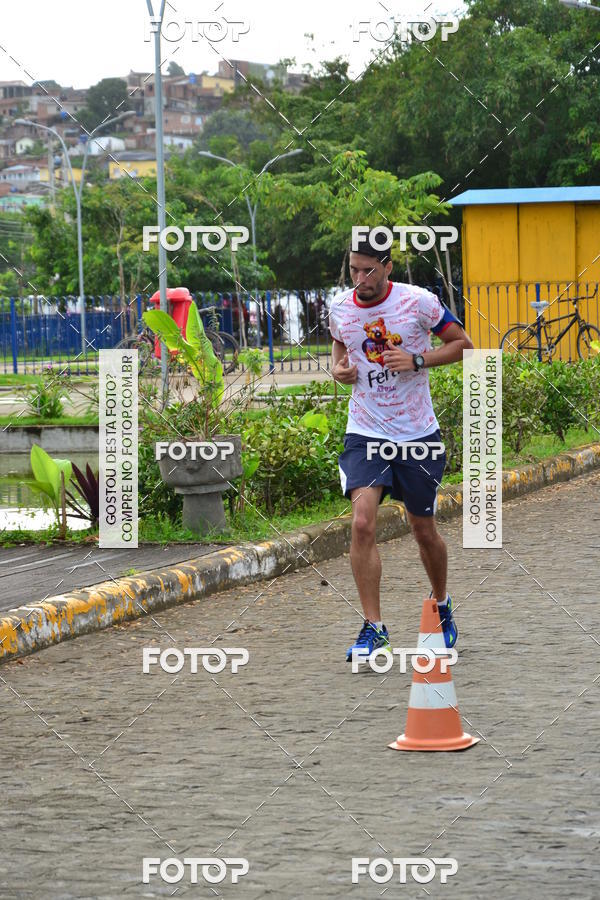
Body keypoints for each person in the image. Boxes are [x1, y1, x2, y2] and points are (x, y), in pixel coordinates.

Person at [328, 231, 474, 662]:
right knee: (362, 523)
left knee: (422, 529)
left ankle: (441, 603)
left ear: (388, 267)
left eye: (368, 270)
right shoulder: (340, 306)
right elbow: (340, 342)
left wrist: (416, 360)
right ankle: (374, 629)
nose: (359, 279)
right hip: (365, 431)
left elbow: (463, 345)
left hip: (417, 434)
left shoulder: (418, 302)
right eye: (353, 269)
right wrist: (338, 368)